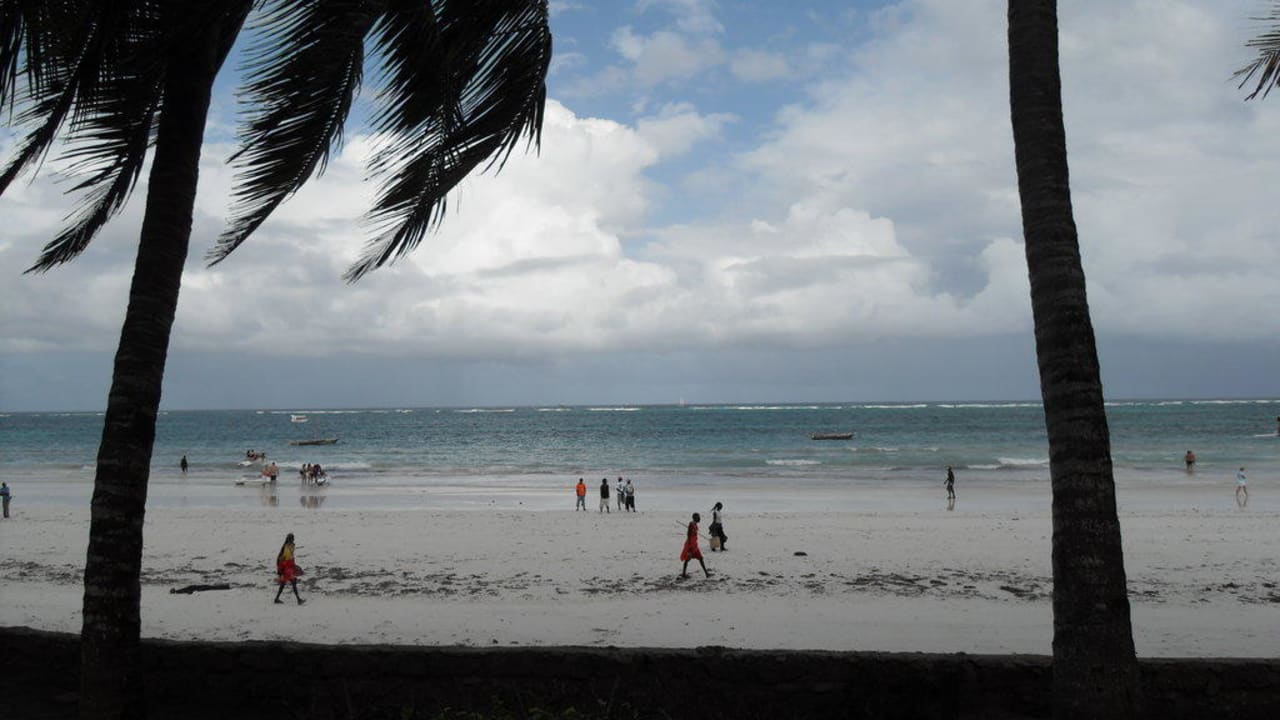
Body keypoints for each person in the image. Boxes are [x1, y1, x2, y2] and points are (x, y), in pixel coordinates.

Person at [274, 533, 305, 604]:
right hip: (286, 568)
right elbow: (281, 559)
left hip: (289, 567)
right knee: (293, 581)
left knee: (283, 584)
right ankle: (299, 600)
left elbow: (290, 557)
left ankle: (276, 599)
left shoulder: (291, 546)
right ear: (290, 539)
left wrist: (294, 565)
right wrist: (280, 570)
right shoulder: (285, 548)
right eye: (292, 539)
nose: (293, 540)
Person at [680, 512, 710, 578]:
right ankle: (683, 574)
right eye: (698, 517)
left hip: (695, 545)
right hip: (691, 545)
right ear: (695, 518)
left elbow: (693, 534)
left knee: (701, 558)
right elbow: (688, 535)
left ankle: (706, 573)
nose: (700, 519)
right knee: (687, 560)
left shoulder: (695, 524)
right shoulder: (691, 524)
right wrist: (690, 548)